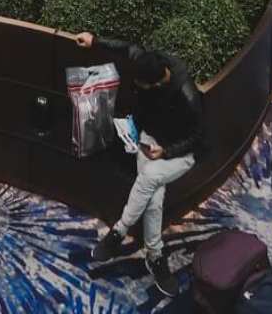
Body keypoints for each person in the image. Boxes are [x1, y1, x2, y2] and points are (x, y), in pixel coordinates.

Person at [77, 38, 202, 295]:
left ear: (157, 83)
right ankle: (155, 255)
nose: (137, 87)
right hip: (150, 141)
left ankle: (118, 232)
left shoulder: (187, 97)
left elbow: (198, 138)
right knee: (154, 200)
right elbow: (127, 48)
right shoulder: (149, 62)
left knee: (149, 178)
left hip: (182, 153)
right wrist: (95, 40)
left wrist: (167, 151)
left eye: (141, 86)